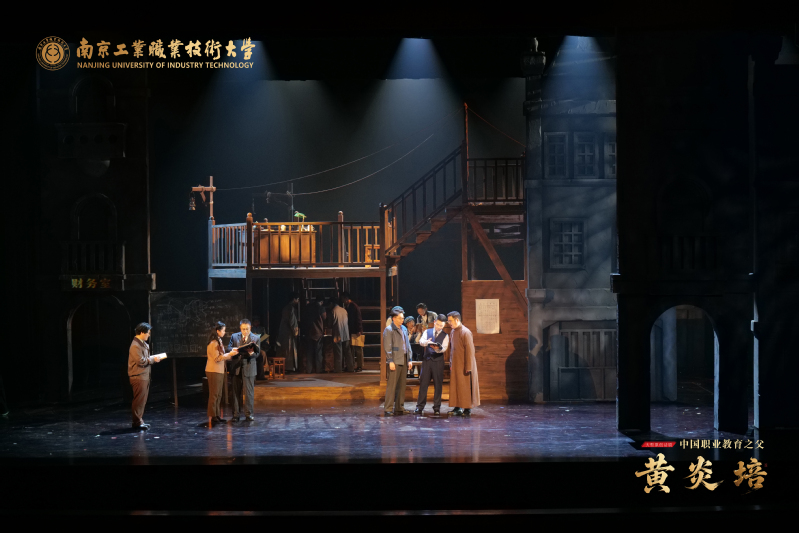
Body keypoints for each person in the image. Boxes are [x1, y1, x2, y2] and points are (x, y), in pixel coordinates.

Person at [128, 322, 164, 430]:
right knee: (139, 400)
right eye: (148, 333)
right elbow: (141, 361)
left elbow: (145, 359)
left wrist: (153, 358)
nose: (149, 335)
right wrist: (153, 359)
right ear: (142, 332)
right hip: (138, 376)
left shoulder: (142, 343)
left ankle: (139, 421)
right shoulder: (135, 345)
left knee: (142, 400)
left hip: (143, 375)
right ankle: (137, 422)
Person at [414, 314, 450, 415]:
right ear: (434, 322)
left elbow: (444, 348)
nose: (439, 327)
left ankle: (437, 408)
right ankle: (419, 407)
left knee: (438, 385)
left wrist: (438, 348)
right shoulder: (427, 331)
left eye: (441, 326)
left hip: (438, 362)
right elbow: (421, 342)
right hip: (427, 360)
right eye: (438, 324)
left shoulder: (445, 335)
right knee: (423, 384)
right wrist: (427, 342)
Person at [446, 311, 480, 416]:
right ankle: (457, 407)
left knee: (465, 387)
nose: (449, 323)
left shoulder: (465, 332)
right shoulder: (453, 332)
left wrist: (468, 366)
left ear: (457, 320)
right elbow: (452, 349)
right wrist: (451, 363)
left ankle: (467, 409)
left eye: (450, 321)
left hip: (464, 365)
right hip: (456, 364)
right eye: (448, 321)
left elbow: (470, 351)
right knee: (457, 386)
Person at [228, 319, 260, 421]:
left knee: (249, 392)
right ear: (240, 328)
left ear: (250, 328)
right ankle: (236, 414)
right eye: (243, 329)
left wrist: (251, 353)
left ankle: (249, 414)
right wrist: (233, 350)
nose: (245, 331)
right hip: (236, 367)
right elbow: (228, 347)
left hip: (249, 367)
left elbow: (257, 353)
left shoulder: (256, 337)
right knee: (235, 392)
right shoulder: (234, 336)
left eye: (247, 329)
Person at [206, 321, 238, 425]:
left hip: (219, 370)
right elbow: (217, 358)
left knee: (219, 394)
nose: (224, 332)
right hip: (213, 370)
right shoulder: (213, 343)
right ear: (217, 331)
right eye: (223, 330)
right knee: (214, 394)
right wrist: (230, 354)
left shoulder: (218, 341)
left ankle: (217, 415)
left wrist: (230, 353)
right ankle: (213, 415)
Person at [382, 309, 412, 416]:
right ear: (394, 318)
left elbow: (408, 345)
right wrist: (390, 360)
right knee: (392, 385)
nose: (402, 320)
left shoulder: (404, 328)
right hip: (395, 359)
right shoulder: (389, 330)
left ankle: (399, 407)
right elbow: (387, 347)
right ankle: (388, 408)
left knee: (402, 385)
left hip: (404, 358)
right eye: (400, 318)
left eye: (403, 318)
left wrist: (409, 359)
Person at [341, 293, 364, 372]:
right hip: (352, 330)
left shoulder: (353, 306)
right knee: (353, 349)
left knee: (357, 349)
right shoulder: (351, 306)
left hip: (354, 330)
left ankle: (358, 366)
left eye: (343, 299)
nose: (342, 301)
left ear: (346, 298)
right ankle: (353, 365)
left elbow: (358, 318)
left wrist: (359, 330)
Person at [277, 293, 299, 372]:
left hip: (284, 331)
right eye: (297, 299)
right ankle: (289, 367)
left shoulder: (286, 308)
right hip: (288, 332)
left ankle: (286, 367)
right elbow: (292, 322)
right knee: (289, 350)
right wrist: (295, 332)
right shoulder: (291, 308)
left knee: (286, 350)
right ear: (294, 299)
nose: (298, 301)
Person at [304, 298, 326, 373]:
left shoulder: (308, 307)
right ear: (321, 301)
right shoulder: (321, 308)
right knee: (318, 352)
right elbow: (324, 318)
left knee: (309, 352)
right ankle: (318, 369)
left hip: (309, 332)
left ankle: (309, 369)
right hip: (318, 332)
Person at [330, 298, 352, 372]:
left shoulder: (333, 311)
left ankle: (338, 369)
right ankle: (350, 367)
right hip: (346, 333)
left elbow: (330, 323)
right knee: (348, 352)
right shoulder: (344, 310)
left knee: (338, 352)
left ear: (332, 303)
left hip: (337, 333)